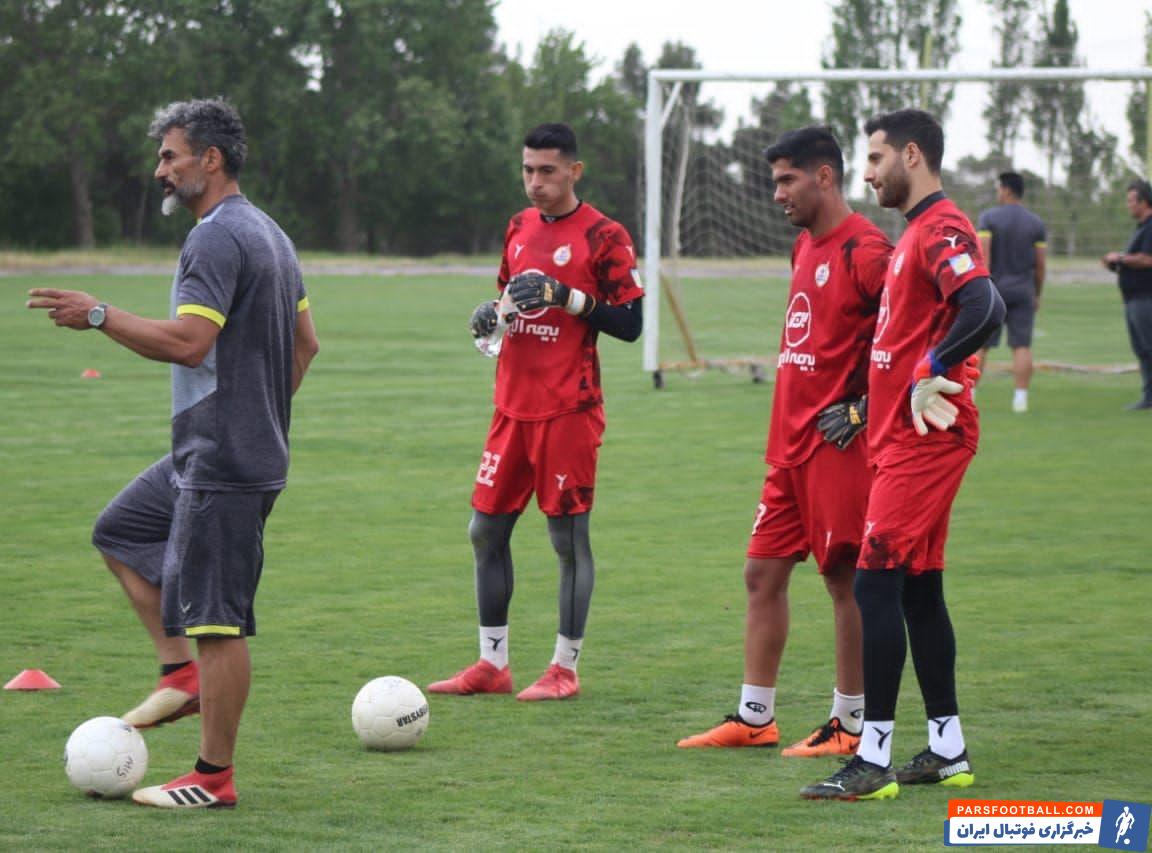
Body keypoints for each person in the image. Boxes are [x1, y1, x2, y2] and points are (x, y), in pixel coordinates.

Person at [27, 98, 319, 809]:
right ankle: (179, 675)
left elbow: (190, 341)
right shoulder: (270, 233)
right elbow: (306, 344)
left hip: (224, 457)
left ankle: (213, 777)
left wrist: (99, 314)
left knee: (218, 620)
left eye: (169, 156)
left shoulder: (217, 238)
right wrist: (263, 415)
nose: (160, 169)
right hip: (216, 449)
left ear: (208, 160)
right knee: (121, 530)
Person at [801, 109, 1005, 801]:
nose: (867, 171)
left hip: (928, 439)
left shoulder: (941, 226)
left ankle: (874, 755)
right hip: (898, 439)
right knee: (917, 588)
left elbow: (985, 305)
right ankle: (946, 746)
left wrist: (933, 365)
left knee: (873, 580)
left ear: (911, 156)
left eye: (876, 157)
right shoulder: (915, 233)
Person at [676, 127, 891, 757]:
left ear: (825, 176)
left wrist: (865, 406)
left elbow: (914, 338)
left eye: (786, 180)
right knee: (760, 574)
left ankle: (849, 725)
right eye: (774, 181)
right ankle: (754, 716)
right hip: (789, 447)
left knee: (844, 580)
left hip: (839, 446)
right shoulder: (804, 247)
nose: (776, 194)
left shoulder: (869, 250)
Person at [427, 122, 643, 702]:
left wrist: (567, 297)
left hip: (568, 409)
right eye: (527, 170)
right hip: (511, 408)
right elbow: (507, 299)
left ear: (574, 171)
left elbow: (630, 324)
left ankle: (563, 669)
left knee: (567, 540)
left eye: (547, 171)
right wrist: (489, 318)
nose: (534, 182)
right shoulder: (519, 227)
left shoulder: (605, 236)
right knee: (484, 531)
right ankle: (491, 664)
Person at [976, 171, 1047, 413]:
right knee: (1021, 346)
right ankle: (1020, 399)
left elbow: (984, 258)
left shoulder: (988, 218)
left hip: (994, 290)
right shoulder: (1036, 223)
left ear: (1005, 190)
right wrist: (1036, 293)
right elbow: (1040, 266)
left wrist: (981, 291)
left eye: (998, 188)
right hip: (1023, 290)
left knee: (981, 345)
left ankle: (971, 394)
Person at [1102, 179, 1152, 411]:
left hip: (1146, 298)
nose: (1128, 205)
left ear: (1144, 201)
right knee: (1142, 348)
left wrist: (1120, 258)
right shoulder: (1141, 228)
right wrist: (1116, 264)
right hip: (1134, 298)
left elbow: (1147, 259)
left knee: (1149, 347)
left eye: (1132, 200)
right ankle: (1148, 397)